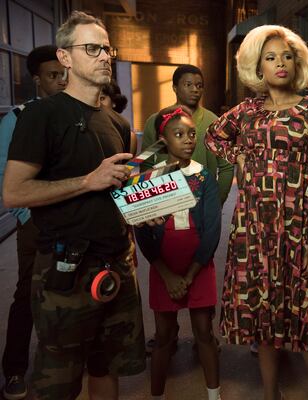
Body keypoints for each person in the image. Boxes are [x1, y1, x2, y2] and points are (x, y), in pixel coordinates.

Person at [2, 11, 145, 400]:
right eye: (92, 48)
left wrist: (147, 204)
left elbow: (119, 193)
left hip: (115, 263)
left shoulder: (117, 123)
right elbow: (14, 192)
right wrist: (87, 181)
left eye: (107, 49)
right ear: (65, 58)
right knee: (57, 382)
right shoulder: (41, 116)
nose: (104, 57)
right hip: (65, 272)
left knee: (107, 367)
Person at [205, 25, 308, 400]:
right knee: (262, 314)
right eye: (270, 57)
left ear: (297, 63)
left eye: (286, 56)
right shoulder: (247, 110)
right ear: (257, 67)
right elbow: (213, 136)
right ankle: (270, 394)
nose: (280, 63)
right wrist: (239, 156)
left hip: (301, 228)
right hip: (254, 230)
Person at [135, 105, 222, 400]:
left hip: (199, 266)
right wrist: (167, 274)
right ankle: (157, 395)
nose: (188, 139)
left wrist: (190, 274)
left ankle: (214, 394)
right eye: (179, 134)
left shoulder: (204, 177)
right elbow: (143, 232)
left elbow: (211, 230)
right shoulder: (152, 179)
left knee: (204, 333)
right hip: (165, 268)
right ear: (164, 140)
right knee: (163, 336)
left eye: (191, 134)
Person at [0, 44, 66, 400]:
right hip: (35, 222)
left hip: (71, 220)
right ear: (36, 79)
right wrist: (27, 216)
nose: (60, 81)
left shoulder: (75, 113)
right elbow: (4, 173)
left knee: (68, 290)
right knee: (27, 293)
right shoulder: (18, 117)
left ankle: (62, 361)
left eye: (63, 74)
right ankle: (14, 370)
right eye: (53, 75)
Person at [141, 64, 233, 204]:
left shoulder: (214, 122)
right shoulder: (156, 121)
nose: (195, 90)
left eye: (199, 85)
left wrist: (216, 202)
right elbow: (146, 163)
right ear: (175, 88)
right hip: (165, 202)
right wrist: (153, 201)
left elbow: (226, 167)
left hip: (202, 201)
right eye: (188, 84)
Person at [99, 80, 137, 154]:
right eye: (94, 98)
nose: (97, 103)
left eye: (102, 98)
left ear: (114, 102)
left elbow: (128, 165)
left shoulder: (128, 136)